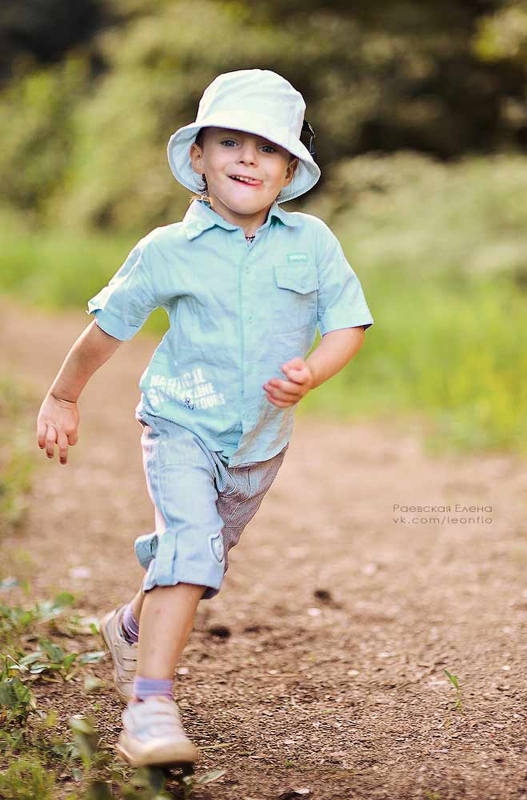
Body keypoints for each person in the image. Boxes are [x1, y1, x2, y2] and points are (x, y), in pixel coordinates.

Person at [36, 69, 374, 768]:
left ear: (290, 169)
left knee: (196, 556)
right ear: (198, 156)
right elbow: (108, 328)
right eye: (229, 142)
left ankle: (130, 628)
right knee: (191, 548)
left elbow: (348, 323)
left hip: (258, 446)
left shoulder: (311, 242)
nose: (248, 158)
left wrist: (313, 371)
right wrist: (64, 396)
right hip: (181, 425)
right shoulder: (167, 249)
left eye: (268, 148)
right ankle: (150, 709)